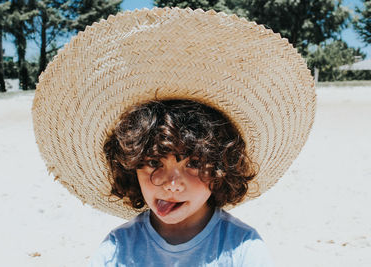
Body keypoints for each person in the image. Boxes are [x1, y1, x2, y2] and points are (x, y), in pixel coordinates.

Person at [32, 7, 316, 267]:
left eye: (192, 163)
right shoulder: (118, 249)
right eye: (154, 162)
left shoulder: (241, 248)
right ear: (131, 165)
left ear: (221, 167)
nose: (171, 184)